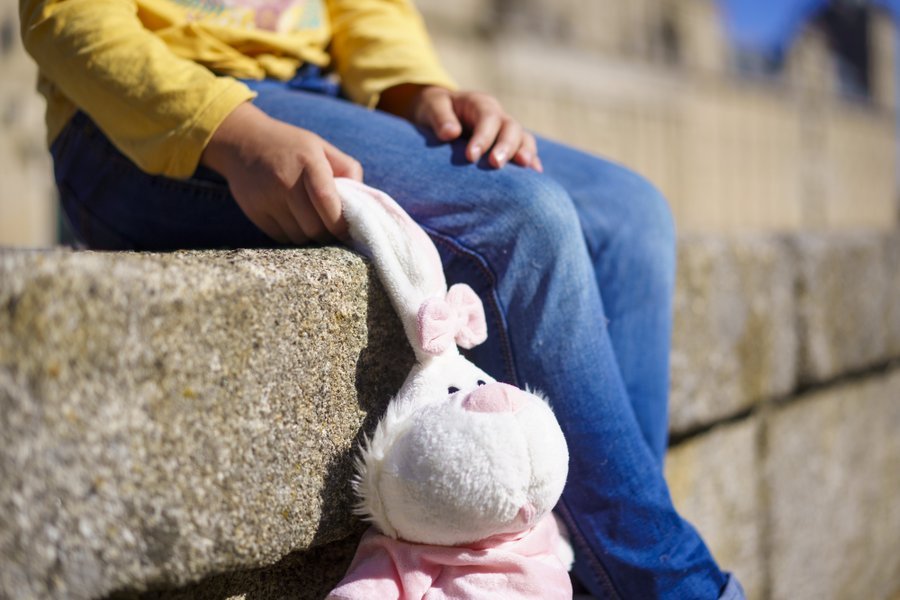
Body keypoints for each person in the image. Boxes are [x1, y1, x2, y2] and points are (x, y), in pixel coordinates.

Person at [20, 0, 745, 597]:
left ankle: (590, 571)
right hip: (149, 115)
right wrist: (231, 134)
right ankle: (669, 583)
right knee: (523, 219)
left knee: (630, 215)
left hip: (322, 91)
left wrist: (417, 91)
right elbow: (64, 17)